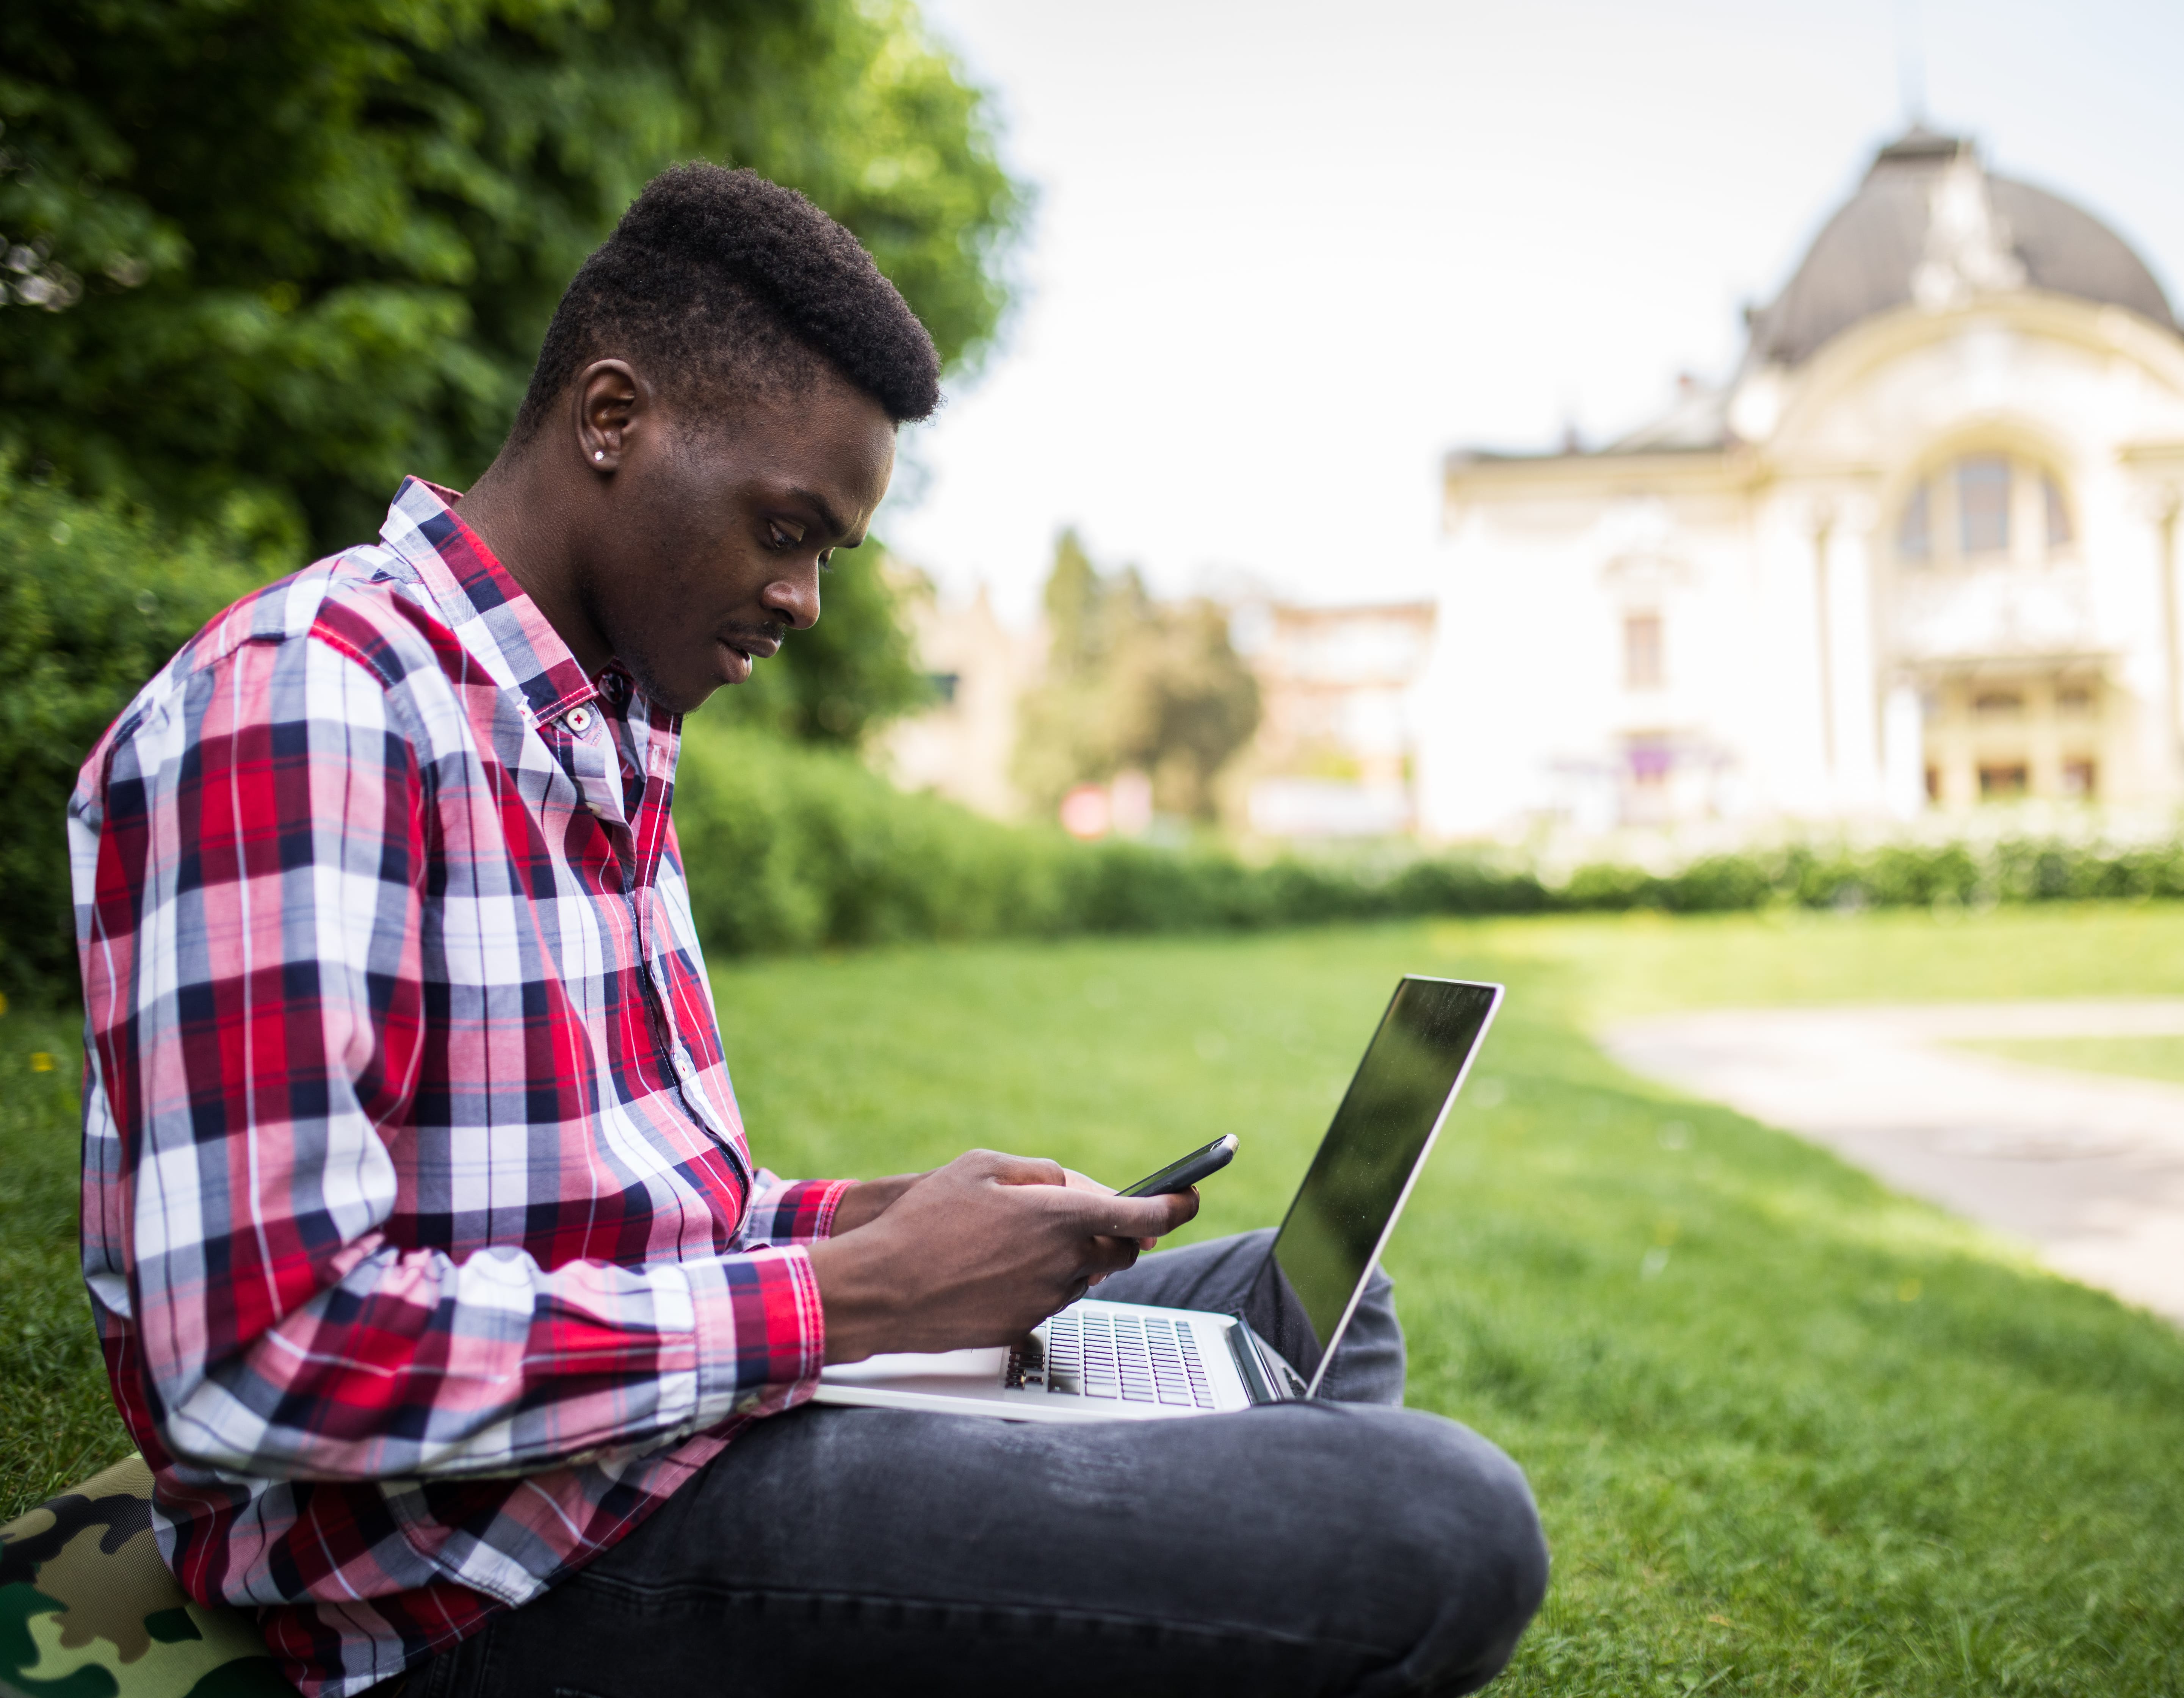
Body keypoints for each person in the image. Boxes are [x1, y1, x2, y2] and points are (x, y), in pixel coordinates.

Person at [70, 163, 1546, 1698]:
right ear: (612, 420)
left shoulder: (605, 716)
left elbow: (618, 1215)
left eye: (829, 552)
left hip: (668, 1425)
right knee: (1446, 1523)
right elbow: (262, 1354)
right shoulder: (311, 705)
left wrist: (863, 1221)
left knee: (1303, 1313)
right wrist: (865, 1298)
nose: (805, 599)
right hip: (490, 1568)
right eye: (789, 530)